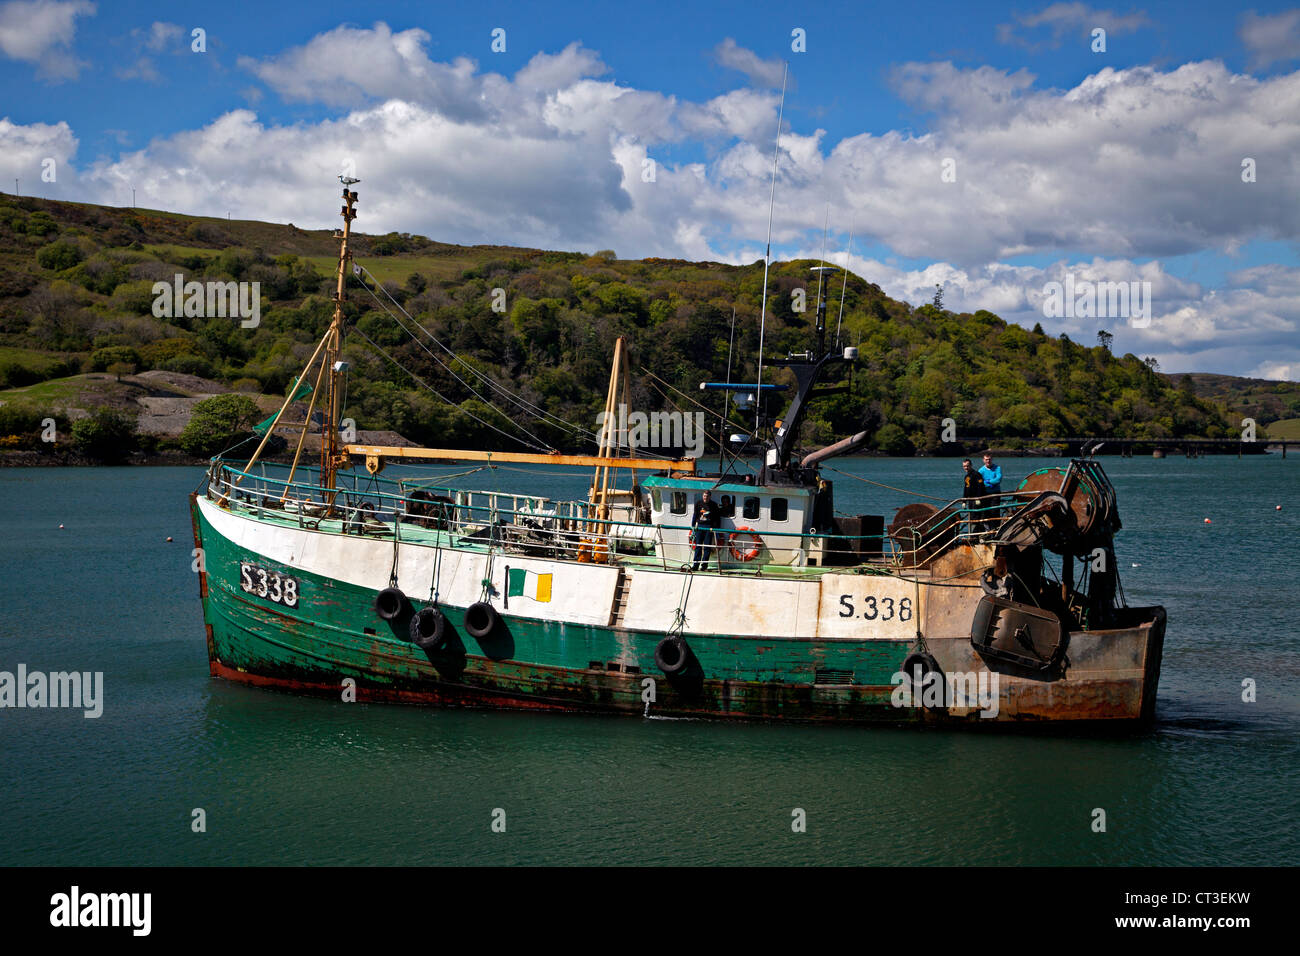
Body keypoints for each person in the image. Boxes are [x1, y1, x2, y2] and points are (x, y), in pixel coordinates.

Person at [691, 489, 722, 571]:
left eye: (707, 496)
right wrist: (693, 525)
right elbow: (695, 514)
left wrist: (715, 528)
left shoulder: (714, 505)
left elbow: (717, 518)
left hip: (709, 527)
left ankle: (704, 565)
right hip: (700, 526)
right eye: (704, 496)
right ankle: (695, 565)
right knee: (698, 546)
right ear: (702, 496)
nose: (705, 497)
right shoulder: (698, 503)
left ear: (710, 497)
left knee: (707, 547)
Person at [961, 459, 987, 539]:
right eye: (964, 466)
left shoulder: (977, 474)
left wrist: (978, 498)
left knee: (977, 516)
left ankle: (977, 535)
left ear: (971, 465)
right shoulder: (966, 476)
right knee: (972, 516)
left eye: (967, 466)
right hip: (970, 500)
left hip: (977, 499)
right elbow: (966, 488)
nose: (966, 468)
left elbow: (980, 487)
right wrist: (964, 501)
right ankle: (973, 535)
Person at [979, 452, 1003, 526]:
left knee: (995, 511)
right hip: (985, 494)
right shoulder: (981, 471)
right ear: (983, 460)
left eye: (989, 459)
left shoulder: (997, 468)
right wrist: (991, 483)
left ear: (992, 459)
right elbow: (980, 483)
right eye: (986, 459)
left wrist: (988, 481)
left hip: (995, 493)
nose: (988, 461)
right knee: (985, 512)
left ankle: (996, 529)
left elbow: (998, 479)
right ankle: (987, 531)